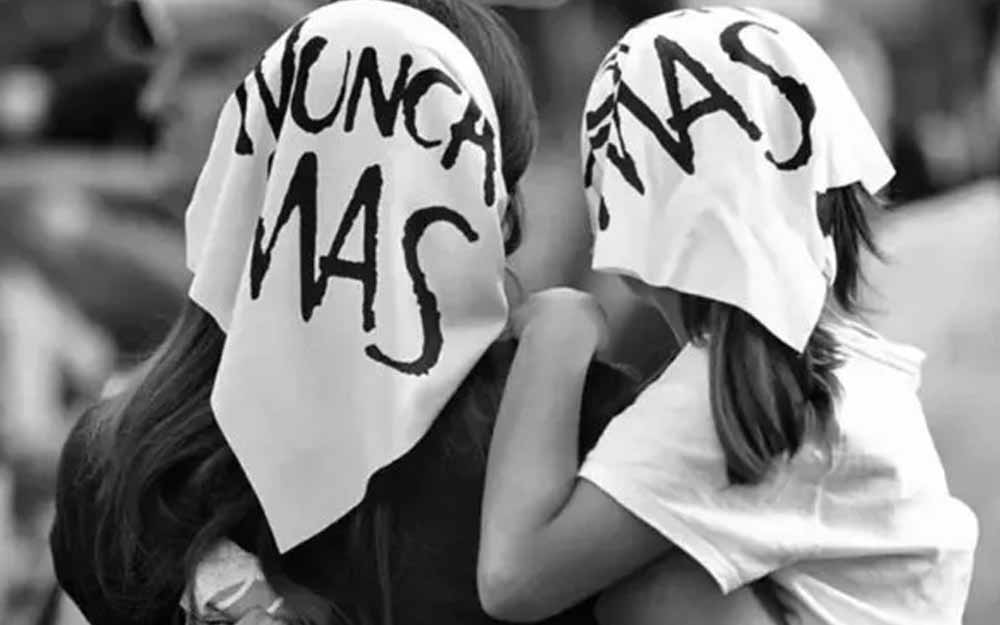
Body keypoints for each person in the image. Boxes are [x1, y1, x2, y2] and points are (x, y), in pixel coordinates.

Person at [49, 2, 628, 625]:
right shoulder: (598, 444)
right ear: (498, 200)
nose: (155, 97)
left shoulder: (115, 464)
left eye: (209, 62)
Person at [478, 7, 978, 625]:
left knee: (653, 592)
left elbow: (512, 579)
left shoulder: (732, 399)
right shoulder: (823, 368)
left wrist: (557, 336)